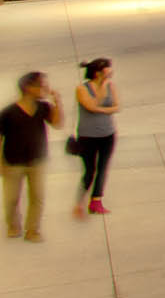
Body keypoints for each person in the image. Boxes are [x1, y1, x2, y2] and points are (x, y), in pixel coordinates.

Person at [1, 71, 59, 241]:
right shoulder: (8, 112)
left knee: (38, 197)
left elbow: (57, 123)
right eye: (41, 85)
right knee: (11, 199)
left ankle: (32, 231)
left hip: (37, 160)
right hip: (13, 162)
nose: (45, 88)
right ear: (28, 87)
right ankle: (13, 224)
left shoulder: (43, 107)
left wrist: (57, 102)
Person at [72, 57, 118, 216]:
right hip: (87, 136)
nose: (111, 71)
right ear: (98, 72)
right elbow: (91, 106)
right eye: (108, 68)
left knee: (103, 168)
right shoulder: (82, 88)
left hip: (108, 134)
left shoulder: (110, 85)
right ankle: (79, 202)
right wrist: (102, 92)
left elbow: (117, 106)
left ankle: (96, 201)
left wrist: (102, 108)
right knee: (90, 170)